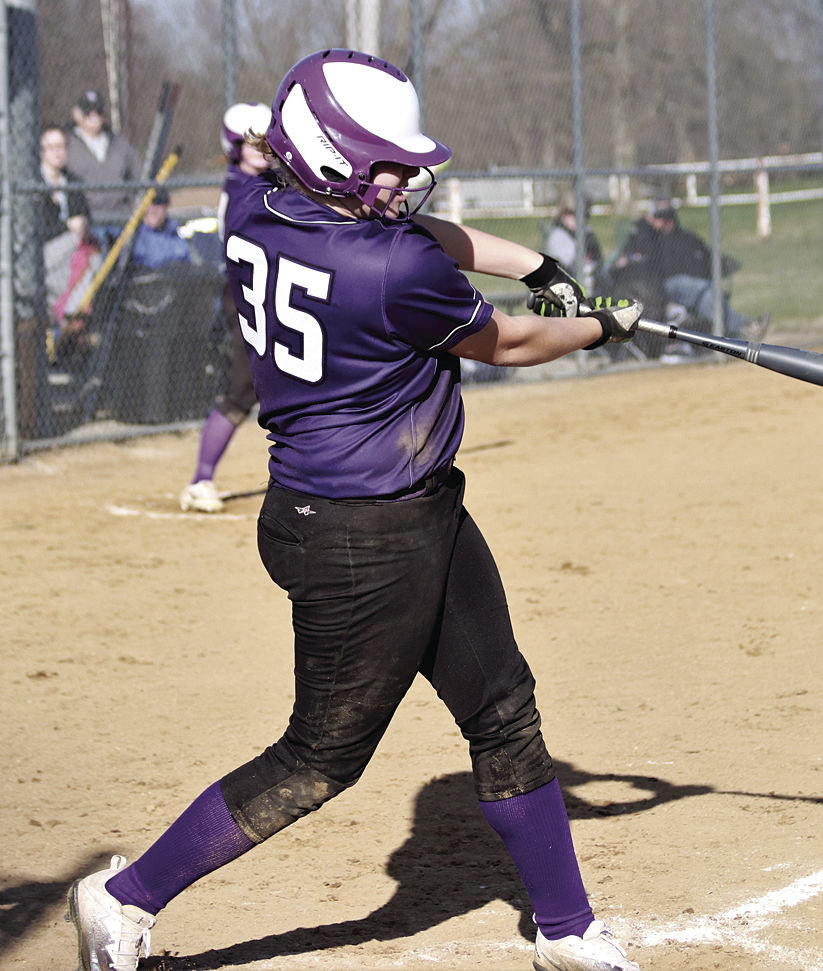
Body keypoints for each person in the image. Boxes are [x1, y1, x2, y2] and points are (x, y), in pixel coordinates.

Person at [67, 48, 643, 971]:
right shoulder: (386, 269)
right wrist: (601, 320)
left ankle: (566, 930)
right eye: (382, 161)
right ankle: (122, 897)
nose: (405, 177)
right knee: (316, 759)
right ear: (327, 158)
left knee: (503, 709)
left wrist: (540, 261)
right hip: (354, 539)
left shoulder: (256, 208)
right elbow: (517, 339)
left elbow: (428, 237)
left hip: (407, 511)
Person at [179, 101, 273, 514]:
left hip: (275, 296)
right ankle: (201, 480)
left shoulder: (270, 181)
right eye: (249, 143)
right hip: (246, 300)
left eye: (265, 143)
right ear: (233, 146)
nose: (259, 150)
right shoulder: (240, 187)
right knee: (241, 390)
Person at [611, 202, 769, 344]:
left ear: (671, 219)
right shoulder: (650, 239)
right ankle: (743, 326)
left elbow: (707, 258)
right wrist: (647, 223)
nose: (659, 223)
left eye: (662, 218)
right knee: (702, 290)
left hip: (695, 287)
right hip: (661, 289)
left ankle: (738, 335)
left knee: (707, 294)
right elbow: (625, 262)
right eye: (656, 219)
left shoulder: (686, 238)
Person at [39, 123, 101, 348]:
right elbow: (37, 228)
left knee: (94, 251)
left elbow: (85, 216)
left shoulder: (72, 182)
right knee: (78, 244)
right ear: (42, 151)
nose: (57, 152)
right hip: (46, 254)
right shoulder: (36, 184)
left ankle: (75, 317)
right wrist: (68, 226)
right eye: (52, 147)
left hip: (73, 254)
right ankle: (69, 315)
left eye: (62, 146)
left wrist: (82, 224)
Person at [64, 89, 143, 246]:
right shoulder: (66, 144)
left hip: (121, 220)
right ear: (76, 114)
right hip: (88, 224)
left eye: (98, 112)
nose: (93, 117)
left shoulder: (120, 144)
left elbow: (139, 176)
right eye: (88, 112)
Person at [544, 198, 608, 296]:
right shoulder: (558, 236)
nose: (580, 219)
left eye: (584, 215)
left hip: (593, 284)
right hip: (568, 287)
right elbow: (570, 267)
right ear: (563, 215)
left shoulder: (587, 233)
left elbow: (598, 259)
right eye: (574, 214)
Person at [130, 189, 191, 269]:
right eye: (146, 203)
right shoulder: (130, 237)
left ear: (166, 207)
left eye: (158, 202)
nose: (152, 209)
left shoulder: (176, 236)